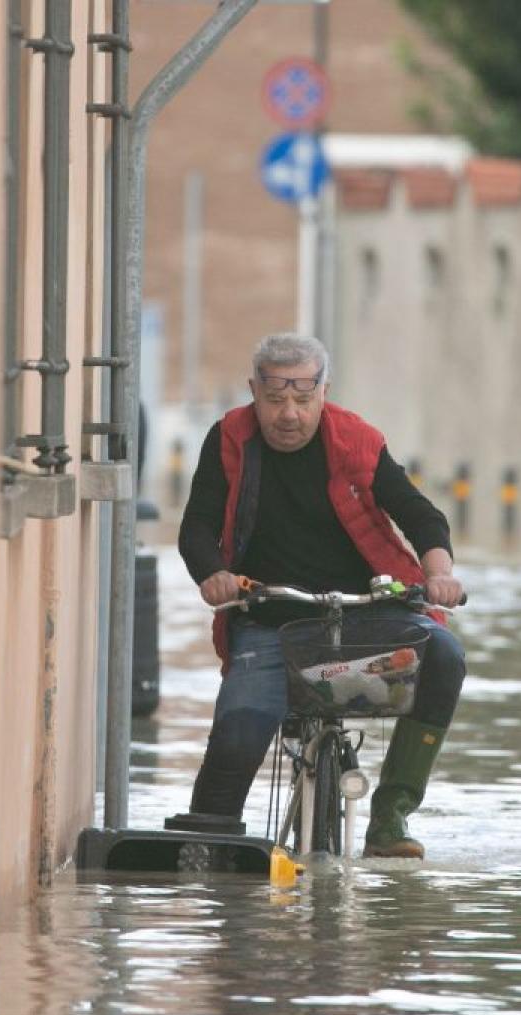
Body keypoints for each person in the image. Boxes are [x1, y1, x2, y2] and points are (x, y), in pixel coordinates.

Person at [176, 332, 466, 858]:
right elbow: (196, 527)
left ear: (323, 394)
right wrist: (213, 574)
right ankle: (208, 851)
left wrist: (440, 573)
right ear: (253, 392)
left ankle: (391, 814)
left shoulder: (357, 440)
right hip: (268, 620)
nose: (289, 415)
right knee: (237, 734)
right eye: (275, 400)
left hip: (365, 614)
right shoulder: (228, 439)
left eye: (304, 400)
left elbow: (421, 516)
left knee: (444, 655)